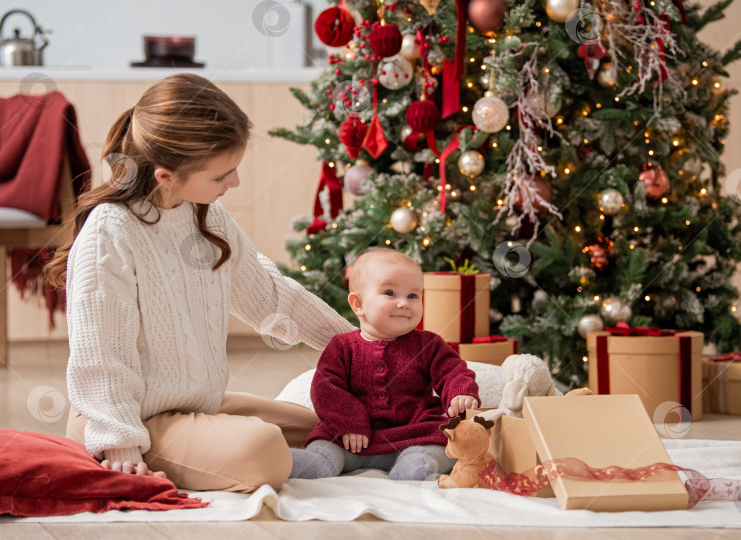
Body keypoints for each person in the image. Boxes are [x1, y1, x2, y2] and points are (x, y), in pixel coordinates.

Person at [44, 73, 354, 493]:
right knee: (264, 450)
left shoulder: (203, 214)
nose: (235, 183)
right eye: (222, 175)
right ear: (166, 175)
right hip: (123, 418)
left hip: (189, 407)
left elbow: (273, 298)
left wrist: (365, 351)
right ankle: (139, 447)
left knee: (334, 423)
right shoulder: (110, 233)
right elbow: (101, 355)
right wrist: (120, 445)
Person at [289, 248, 480, 481]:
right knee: (323, 449)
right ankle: (312, 463)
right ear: (358, 304)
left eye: (413, 296)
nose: (404, 303)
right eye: (390, 293)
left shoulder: (428, 344)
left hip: (414, 433)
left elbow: (453, 370)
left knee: (444, 444)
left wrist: (460, 393)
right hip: (350, 438)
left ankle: (415, 467)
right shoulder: (342, 346)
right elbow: (326, 387)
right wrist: (349, 422)